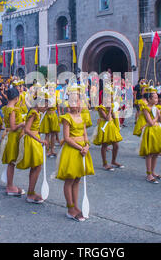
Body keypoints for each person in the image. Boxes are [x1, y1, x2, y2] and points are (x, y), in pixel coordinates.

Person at [56, 86, 94, 222]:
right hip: (72, 151)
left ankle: (76, 205)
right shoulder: (67, 117)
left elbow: (85, 135)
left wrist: (87, 146)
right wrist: (80, 147)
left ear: (80, 102)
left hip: (82, 151)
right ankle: (70, 208)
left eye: (76, 101)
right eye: (71, 101)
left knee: (77, 179)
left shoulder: (82, 116)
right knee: (70, 179)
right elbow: (66, 138)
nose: (73, 104)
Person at [15, 88, 48, 204]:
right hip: (32, 141)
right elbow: (27, 130)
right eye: (45, 104)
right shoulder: (34, 112)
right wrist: (40, 140)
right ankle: (30, 193)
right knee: (37, 166)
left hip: (35, 140)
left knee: (36, 166)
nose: (46, 108)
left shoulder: (36, 112)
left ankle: (31, 191)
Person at [1, 87, 26, 196]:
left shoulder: (6, 108)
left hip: (9, 135)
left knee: (11, 162)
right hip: (12, 136)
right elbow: (13, 127)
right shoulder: (13, 110)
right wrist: (22, 124)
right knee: (11, 162)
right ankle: (10, 186)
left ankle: (10, 184)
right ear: (17, 98)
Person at [93, 84, 123, 171]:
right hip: (104, 126)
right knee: (104, 145)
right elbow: (107, 118)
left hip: (111, 126)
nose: (108, 99)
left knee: (116, 145)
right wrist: (109, 109)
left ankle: (113, 161)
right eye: (106, 97)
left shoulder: (111, 106)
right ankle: (105, 163)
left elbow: (114, 117)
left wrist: (117, 126)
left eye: (110, 97)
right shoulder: (100, 107)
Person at [138, 88, 161, 183]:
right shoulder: (146, 108)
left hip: (157, 130)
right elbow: (150, 122)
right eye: (154, 98)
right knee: (149, 153)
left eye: (157, 98)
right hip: (150, 130)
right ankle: (149, 173)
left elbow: (160, 121)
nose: (156, 100)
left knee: (156, 152)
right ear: (149, 99)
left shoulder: (156, 108)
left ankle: (153, 172)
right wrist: (157, 116)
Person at [40, 83, 61, 158]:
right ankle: (47, 150)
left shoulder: (56, 97)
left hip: (54, 116)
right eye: (50, 88)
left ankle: (52, 150)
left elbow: (58, 108)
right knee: (47, 134)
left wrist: (59, 118)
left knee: (53, 134)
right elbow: (43, 107)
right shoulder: (46, 96)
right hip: (47, 116)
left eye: (53, 88)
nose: (51, 89)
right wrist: (47, 106)